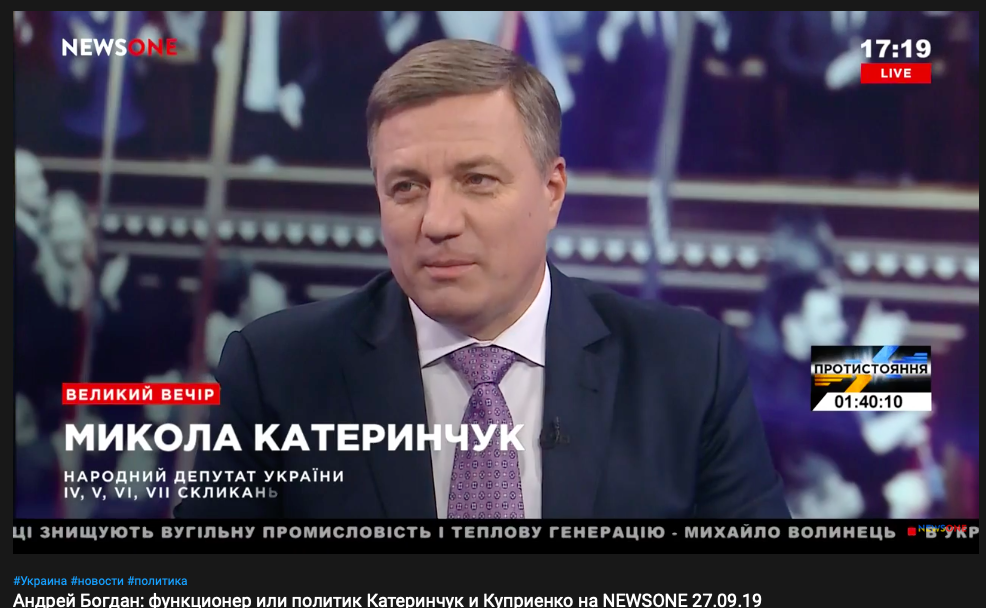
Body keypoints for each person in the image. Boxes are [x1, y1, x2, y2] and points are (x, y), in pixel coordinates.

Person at [175, 39, 787, 519]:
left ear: (552, 191)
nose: (438, 222)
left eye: (478, 180)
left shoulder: (687, 368)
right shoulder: (277, 372)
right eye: (406, 187)